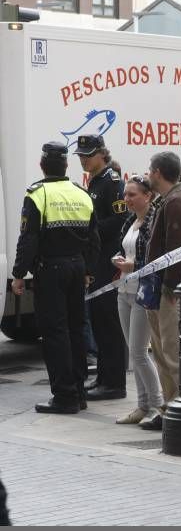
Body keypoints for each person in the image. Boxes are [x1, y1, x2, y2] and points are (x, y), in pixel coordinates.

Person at [11, 142, 100, 413]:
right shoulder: (81, 194)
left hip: (51, 271)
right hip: (76, 268)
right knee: (75, 329)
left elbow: (29, 239)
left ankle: (64, 396)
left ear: (42, 165)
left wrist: (18, 274)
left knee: (55, 333)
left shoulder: (38, 195)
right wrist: (88, 271)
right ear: (66, 165)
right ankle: (79, 392)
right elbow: (94, 240)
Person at [76, 134, 128, 401]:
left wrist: (89, 230)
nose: (84, 159)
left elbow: (119, 220)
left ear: (102, 154)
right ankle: (104, 378)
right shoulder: (95, 180)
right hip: (97, 259)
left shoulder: (111, 182)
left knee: (108, 322)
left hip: (107, 260)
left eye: (88, 155)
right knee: (99, 320)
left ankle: (114, 382)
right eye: (82, 155)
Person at [140, 151, 181, 431]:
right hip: (160, 290)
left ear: (158, 172)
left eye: (150, 169)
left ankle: (179, 405)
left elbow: (177, 249)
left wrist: (170, 286)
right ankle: (170, 405)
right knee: (160, 351)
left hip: (169, 292)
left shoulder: (177, 202)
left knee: (171, 351)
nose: (148, 173)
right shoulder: (168, 200)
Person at [112, 176, 164, 424]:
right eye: (126, 194)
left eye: (132, 195)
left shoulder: (155, 221)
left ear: (148, 195)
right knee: (133, 353)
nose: (127, 200)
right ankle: (142, 406)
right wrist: (121, 260)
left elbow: (157, 259)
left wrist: (134, 265)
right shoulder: (130, 222)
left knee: (140, 352)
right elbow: (127, 250)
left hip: (143, 292)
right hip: (124, 291)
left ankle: (157, 405)